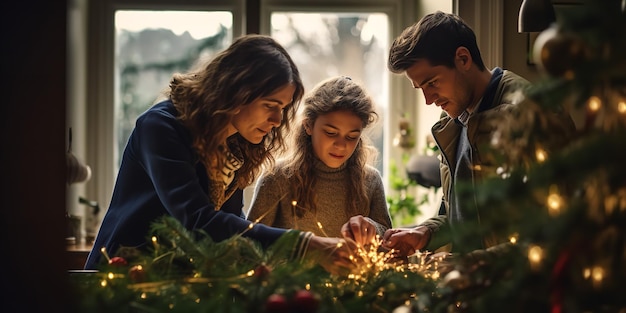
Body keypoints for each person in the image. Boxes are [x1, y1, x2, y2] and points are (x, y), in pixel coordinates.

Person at [84, 34, 357, 274]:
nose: (277, 119)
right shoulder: (161, 127)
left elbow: (229, 226)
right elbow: (198, 220)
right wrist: (305, 244)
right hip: (123, 277)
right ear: (236, 92)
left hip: (178, 285)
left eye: (283, 108)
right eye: (270, 105)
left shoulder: (237, 146)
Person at [381, 12, 576, 262]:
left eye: (432, 83)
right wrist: (426, 232)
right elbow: (463, 215)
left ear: (463, 58)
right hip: (471, 291)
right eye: (421, 88)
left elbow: (557, 233)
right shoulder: (450, 122)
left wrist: (468, 266)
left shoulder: (533, 115)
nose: (428, 100)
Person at [246, 76, 392, 246]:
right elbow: (251, 243)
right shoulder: (277, 177)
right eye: (330, 133)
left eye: (352, 136)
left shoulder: (370, 180)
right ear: (308, 126)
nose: (341, 145)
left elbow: (389, 243)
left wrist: (373, 228)